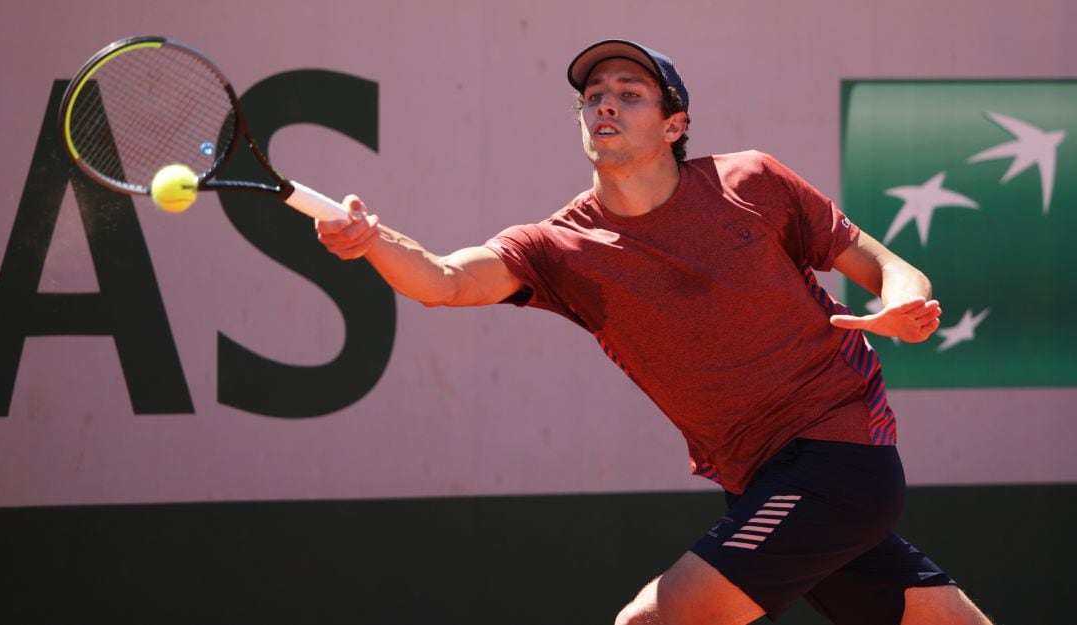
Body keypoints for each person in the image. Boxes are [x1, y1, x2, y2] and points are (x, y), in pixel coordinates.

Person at [316, 39, 994, 625]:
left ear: (675, 125)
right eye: (593, 95)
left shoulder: (753, 181)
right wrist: (371, 241)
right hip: (760, 480)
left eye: (630, 93)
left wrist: (906, 306)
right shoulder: (557, 246)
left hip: (841, 455)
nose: (604, 103)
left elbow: (886, 265)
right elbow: (443, 280)